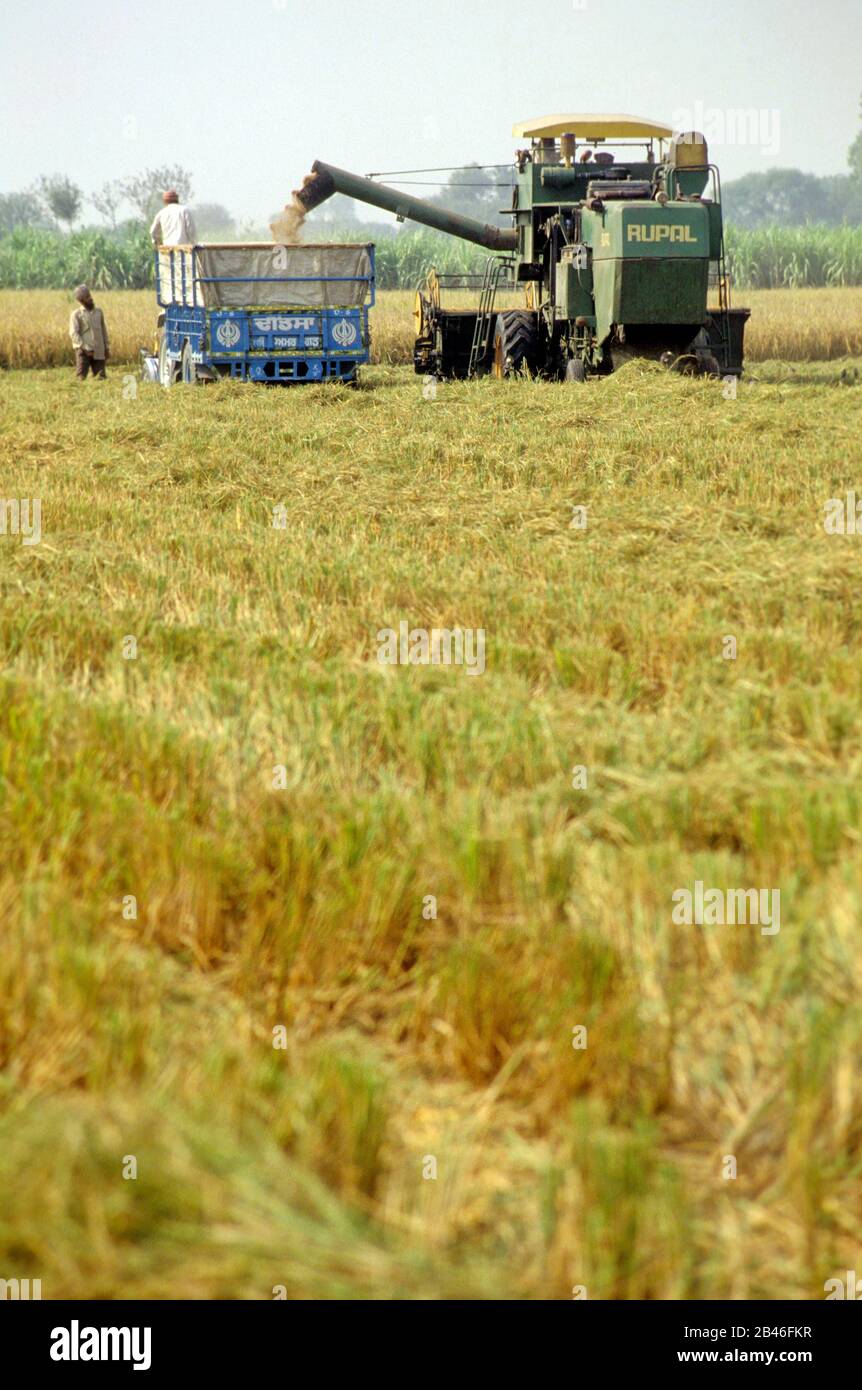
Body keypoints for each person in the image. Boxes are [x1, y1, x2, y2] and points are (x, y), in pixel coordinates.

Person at [69, 285, 109, 379]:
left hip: (98, 351)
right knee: (81, 378)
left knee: (101, 378)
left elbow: (103, 330)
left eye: (89, 295)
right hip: (83, 351)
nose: (90, 298)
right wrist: (85, 348)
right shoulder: (76, 314)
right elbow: (73, 333)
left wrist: (106, 348)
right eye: (87, 297)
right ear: (81, 300)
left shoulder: (98, 312)